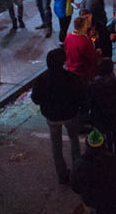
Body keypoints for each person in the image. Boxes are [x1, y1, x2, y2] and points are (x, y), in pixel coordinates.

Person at [31, 47, 87, 184]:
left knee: (56, 146)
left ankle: (62, 175)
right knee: (74, 141)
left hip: (52, 117)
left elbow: (35, 98)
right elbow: (81, 95)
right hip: (70, 115)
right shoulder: (70, 78)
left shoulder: (42, 79)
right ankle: (77, 171)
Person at [70, 129, 116, 214]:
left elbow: (76, 187)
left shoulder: (79, 165)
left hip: (97, 210)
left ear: (87, 146)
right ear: (104, 145)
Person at [88, 58, 116, 156]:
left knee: (105, 140)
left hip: (101, 119)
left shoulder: (94, 85)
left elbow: (89, 103)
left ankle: (107, 159)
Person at [64, 15, 100, 83]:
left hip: (70, 69)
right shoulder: (85, 41)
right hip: (83, 72)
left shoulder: (68, 37)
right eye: (86, 24)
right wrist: (98, 53)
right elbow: (92, 58)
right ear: (83, 26)